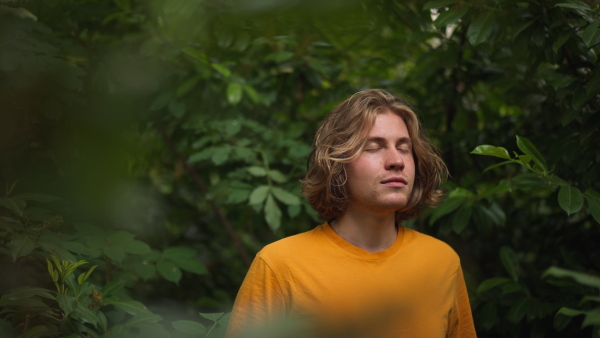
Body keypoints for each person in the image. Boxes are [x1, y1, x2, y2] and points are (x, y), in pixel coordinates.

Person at [226, 89, 477, 338]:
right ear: (337, 163)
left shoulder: (442, 262)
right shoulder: (279, 266)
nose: (396, 160)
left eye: (404, 148)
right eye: (373, 147)